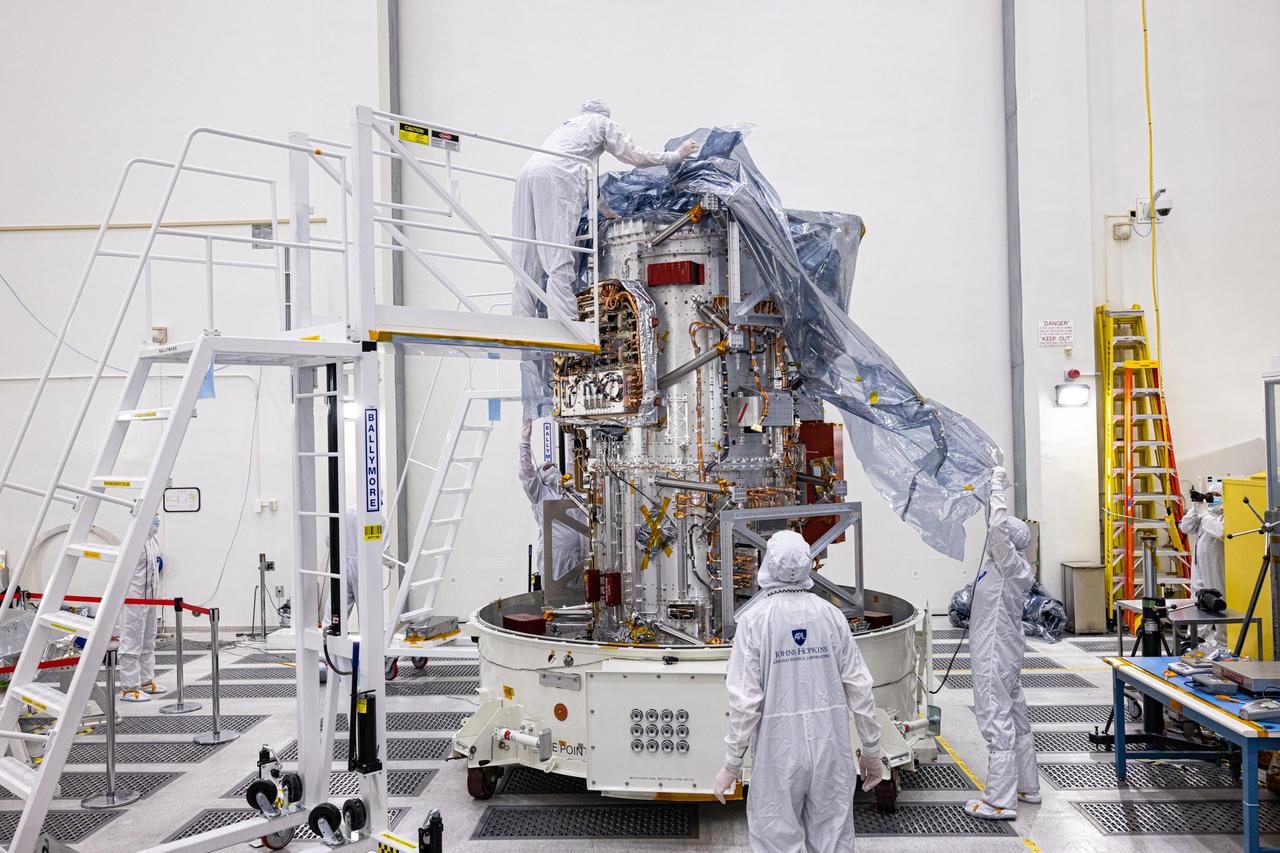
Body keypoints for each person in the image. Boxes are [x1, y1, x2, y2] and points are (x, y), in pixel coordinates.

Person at [512, 99, 699, 418]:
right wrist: (676, 155)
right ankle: (569, 331)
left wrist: (610, 214)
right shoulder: (600, 125)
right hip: (556, 176)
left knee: (525, 262)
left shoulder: (566, 131)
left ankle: (521, 327)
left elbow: (590, 185)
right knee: (559, 259)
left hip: (528, 173)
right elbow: (635, 156)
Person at [714, 529, 885, 853]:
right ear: (809, 563)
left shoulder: (754, 622)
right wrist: (872, 751)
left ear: (768, 565)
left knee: (776, 840)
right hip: (831, 748)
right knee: (833, 839)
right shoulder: (831, 616)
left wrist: (731, 764)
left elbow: (745, 703)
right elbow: (860, 689)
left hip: (777, 756)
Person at [965, 466, 1040, 820]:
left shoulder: (1011, 565)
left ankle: (1000, 801)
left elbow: (996, 527)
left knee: (995, 719)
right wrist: (984, 491)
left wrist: (997, 488)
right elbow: (992, 527)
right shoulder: (1002, 564)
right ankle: (1027, 787)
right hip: (1003, 650)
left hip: (994, 652)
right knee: (1016, 717)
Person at [518, 418, 587, 584]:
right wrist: (524, 442)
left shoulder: (571, 491)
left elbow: (574, 461)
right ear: (541, 477)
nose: (552, 470)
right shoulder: (541, 495)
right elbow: (526, 474)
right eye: (547, 468)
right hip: (557, 558)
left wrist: (572, 429)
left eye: (554, 467)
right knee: (558, 601)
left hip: (583, 556)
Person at [119, 514, 162, 702]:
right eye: (153, 517)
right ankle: (129, 688)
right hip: (134, 599)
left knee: (148, 639)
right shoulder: (132, 542)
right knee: (131, 641)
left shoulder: (152, 541)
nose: (156, 521)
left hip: (150, 598)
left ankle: (146, 680)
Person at [1179, 482, 1225, 644]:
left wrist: (1204, 514)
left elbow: (1221, 532)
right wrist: (1195, 508)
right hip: (1199, 568)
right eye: (1210, 495)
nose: (1212, 499)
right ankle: (1195, 639)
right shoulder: (1205, 515)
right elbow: (1185, 527)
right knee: (1197, 602)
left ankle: (1223, 642)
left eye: (1217, 496)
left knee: (1219, 602)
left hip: (1217, 568)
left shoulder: (1225, 516)